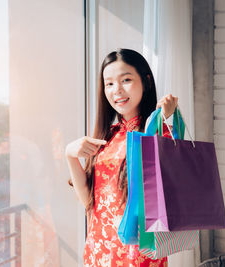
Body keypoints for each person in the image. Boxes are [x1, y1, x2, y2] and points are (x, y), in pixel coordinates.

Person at [65, 48, 178, 266]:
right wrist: (70, 156)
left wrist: (165, 120)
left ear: (145, 82)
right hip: (99, 250)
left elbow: (171, 193)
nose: (117, 90)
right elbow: (88, 200)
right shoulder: (107, 136)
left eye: (125, 80)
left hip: (139, 254)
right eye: (109, 83)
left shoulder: (159, 132)